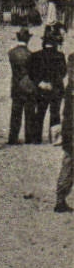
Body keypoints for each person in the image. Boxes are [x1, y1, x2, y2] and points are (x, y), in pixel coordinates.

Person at [26, 32, 66, 144]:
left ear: (43, 43)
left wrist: (40, 82)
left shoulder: (36, 55)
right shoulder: (60, 55)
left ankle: (36, 138)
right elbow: (63, 72)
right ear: (54, 43)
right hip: (56, 88)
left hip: (41, 88)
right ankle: (54, 138)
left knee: (40, 112)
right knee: (55, 112)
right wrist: (53, 83)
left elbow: (30, 72)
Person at [6, 29, 36, 144]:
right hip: (28, 86)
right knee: (29, 113)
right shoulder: (31, 55)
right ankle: (29, 137)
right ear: (28, 39)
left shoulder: (11, 53)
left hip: (16, 85)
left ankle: (12, 138)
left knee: (15, 114)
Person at [57, 47, 74, 213]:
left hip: (69, 126)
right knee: (70, 162)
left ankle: (60, 199)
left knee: (69, 162)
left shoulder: (70, 87)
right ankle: (60, 199)